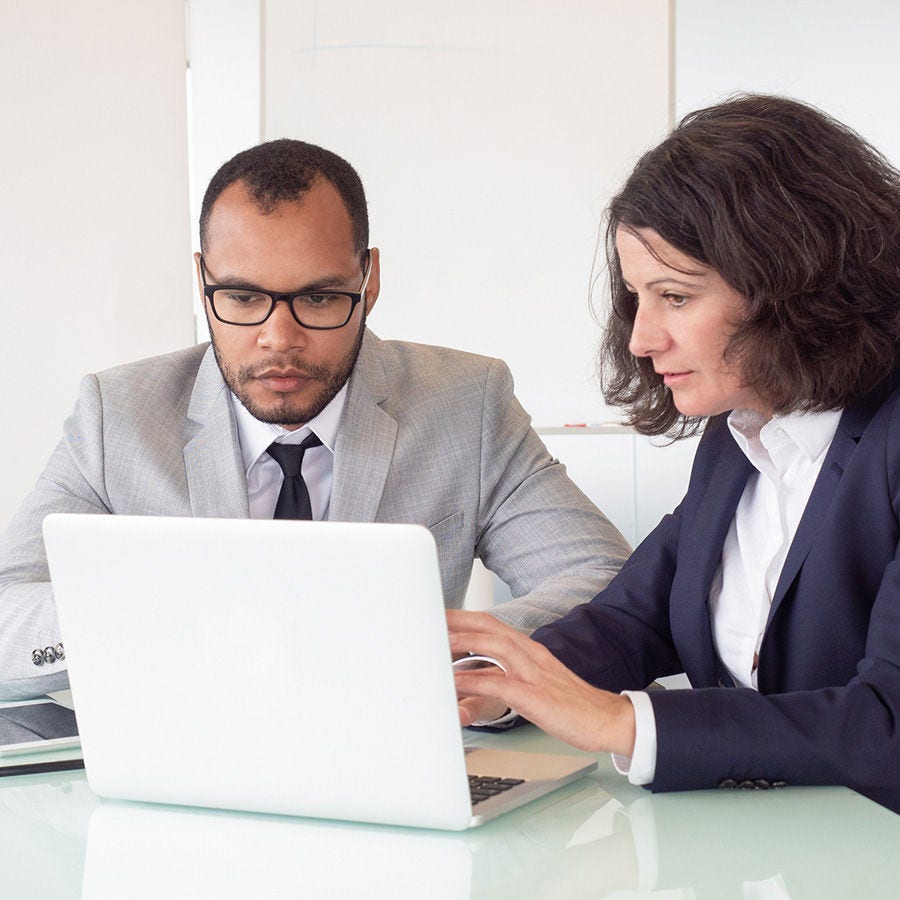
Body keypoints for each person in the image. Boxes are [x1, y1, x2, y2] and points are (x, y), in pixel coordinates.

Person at [0, 139, 630, 702]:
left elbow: (604, 587)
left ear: (370, 279)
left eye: (320, 298)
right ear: (202, 283)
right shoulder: (118, 417)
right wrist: (168, 611)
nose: (280, 338)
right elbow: (7, 622)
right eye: (244, 298)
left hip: (390, 768)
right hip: (187, 776)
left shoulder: (467, 405)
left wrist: (444, 647)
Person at [450, 94, 900, 813]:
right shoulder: (741, 430)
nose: (640, 337)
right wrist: (485, 679)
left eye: (676, 297)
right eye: (636, 296)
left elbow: (887, 726)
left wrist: (621, 723)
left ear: (795, 283)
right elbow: (637, 619)